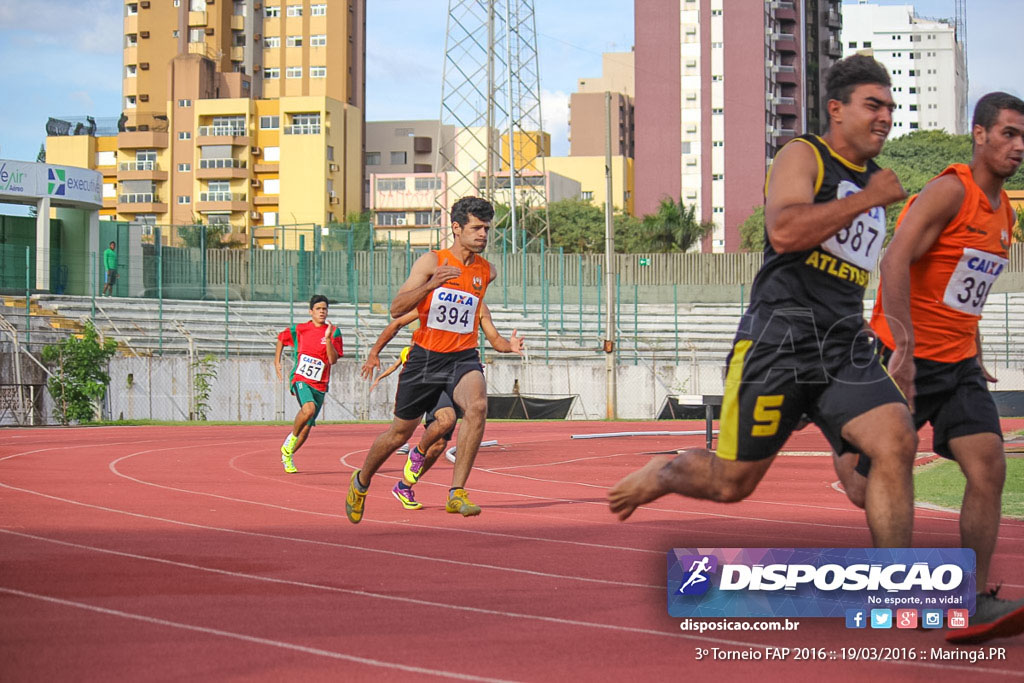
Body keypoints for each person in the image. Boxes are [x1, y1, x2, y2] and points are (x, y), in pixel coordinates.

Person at [608, 55, 918, 549]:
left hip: (843, 344)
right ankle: (665, 473)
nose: (885, 116)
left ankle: (896, 582)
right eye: (873, 105)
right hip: (780, 340)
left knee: (896, 441)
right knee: (732, 484)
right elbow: (785, 230)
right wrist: (867, 199)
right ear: (836, 109)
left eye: (890, 107)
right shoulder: (805, 155)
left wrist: (899, 341)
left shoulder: (876, 179)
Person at [833, 92, 1024, 644]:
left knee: (988, 465)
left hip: (959, 363)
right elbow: (894, 258)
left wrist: (977, 351)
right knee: (859, 486)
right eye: (1008, 133)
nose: (1018, 146)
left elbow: (966, 293)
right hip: (903, 357)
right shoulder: (950, 190)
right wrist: (906, 347)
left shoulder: (1005, 210)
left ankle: (973, 600)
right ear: (980, 134)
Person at [346, 196, 498, 523]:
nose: (483, 234)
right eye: (476, 228)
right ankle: (361, 482)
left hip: (462, 357)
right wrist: (431, 285)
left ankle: (456, 492)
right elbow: (397, 308)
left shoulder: (487, 271)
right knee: (399, 434)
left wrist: (504, 342)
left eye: (487, 228)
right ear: (456, 228)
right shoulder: (431, 261)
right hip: (425, 359)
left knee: (477, 407)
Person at [361, 303, 524, 509]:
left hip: (454, 375)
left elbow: (495, 338)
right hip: (426, 375)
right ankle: (413, 455)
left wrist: (509, 346)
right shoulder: (433, 301)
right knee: (429, 425)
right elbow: (398, 322)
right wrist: (374, 353)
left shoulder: (479, 306)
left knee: (439, 445)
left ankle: (404, 485)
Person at [274, 294, 343, 473]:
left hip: (320, 384)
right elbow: (281, 338)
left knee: (306, 429)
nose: (322, 312)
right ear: (311, 311)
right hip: (301, 378)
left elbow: (333, 360)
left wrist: (327, 339)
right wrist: (277, 362)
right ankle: (290, 439)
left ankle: (287, 455)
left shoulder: (334, 331)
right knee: (308, 409)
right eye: (318, 309)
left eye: (324, 309)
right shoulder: (300, 329)